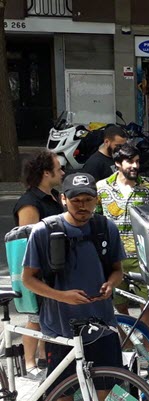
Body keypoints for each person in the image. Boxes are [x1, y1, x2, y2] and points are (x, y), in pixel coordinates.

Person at [21, 172, 140, 401]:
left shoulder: (104, 228)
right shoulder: (44, 231)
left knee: (111, 384)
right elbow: (28, 279)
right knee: (64, 389)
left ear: (96, 200)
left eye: (88, 200)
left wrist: (111, 284)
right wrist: (61, 296)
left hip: (101, 323)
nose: (83, 206)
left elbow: (117, 269)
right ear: (63, 199)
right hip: (60, 327)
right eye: (76, 200)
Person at [96, 143, 149, 331]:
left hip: (142, 256)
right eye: (130, 162)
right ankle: (127, 344)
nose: (135, 166)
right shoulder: (102, 188)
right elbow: (96, 220)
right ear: (117, 163)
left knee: (147, 304)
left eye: (137, 162)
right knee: (119, 303)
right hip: (114, 257)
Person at [13, 150, 64, 373]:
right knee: (35, 317)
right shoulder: (29, 204)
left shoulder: (53, 197)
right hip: (37, 272)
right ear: (46, 173)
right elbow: (28, 242)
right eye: (58, 169)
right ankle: (29, 363)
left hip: (54, 268)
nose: (63, 172)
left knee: (47, 317)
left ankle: (44, 358)